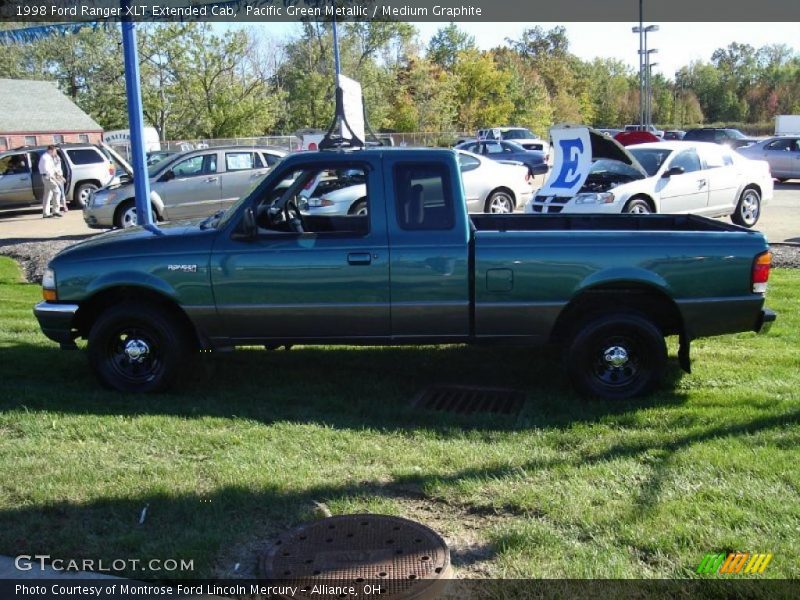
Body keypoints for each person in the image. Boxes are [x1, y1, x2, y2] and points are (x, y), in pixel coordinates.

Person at [38, 145, 62, 218]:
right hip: (47, 177)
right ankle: (55, 211)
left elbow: (53, 168)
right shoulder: (45, 158)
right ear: (51, 150)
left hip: (48, 177)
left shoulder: (49, 157)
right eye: (55, 150)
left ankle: (46, 213)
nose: (55, 152)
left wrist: (60, 176)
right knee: (57, 191)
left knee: (48, 195)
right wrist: (54, 178)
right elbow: (47, 169)